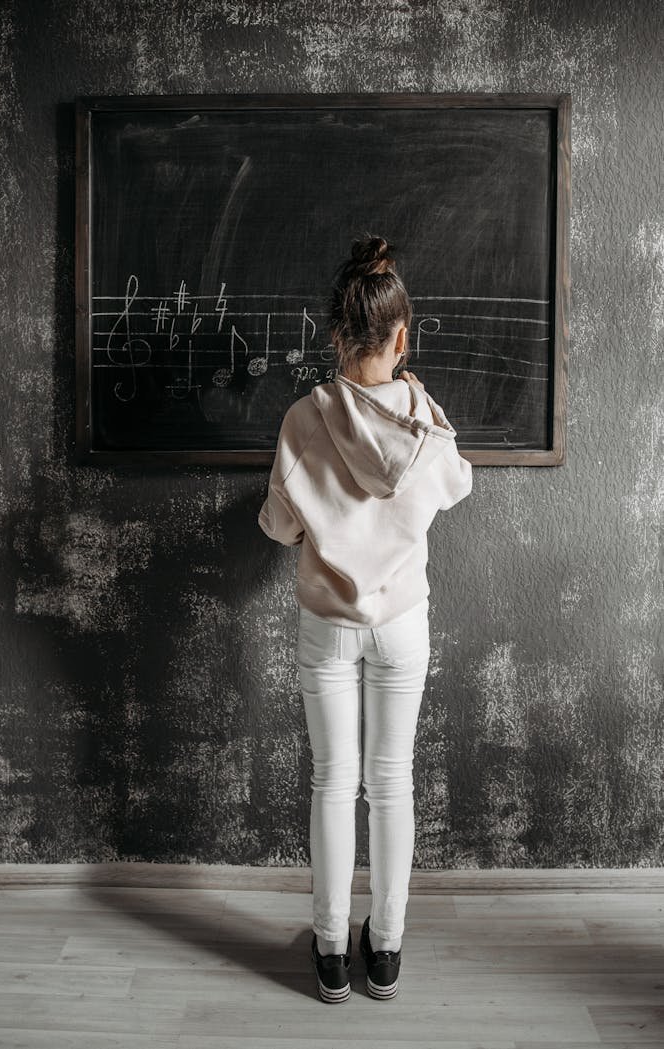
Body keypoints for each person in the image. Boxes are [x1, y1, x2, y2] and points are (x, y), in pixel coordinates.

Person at [257, 234, 473, 1003]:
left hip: (328, 625)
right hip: (402, 623)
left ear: (335, 334)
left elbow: (279, 529)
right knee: (393, 783)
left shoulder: (302, 420)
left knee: (331, 781)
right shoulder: (425, 425)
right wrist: (423, 406)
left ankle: (329, 951)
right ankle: (384, 948)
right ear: (402, 336)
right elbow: (458, 485)